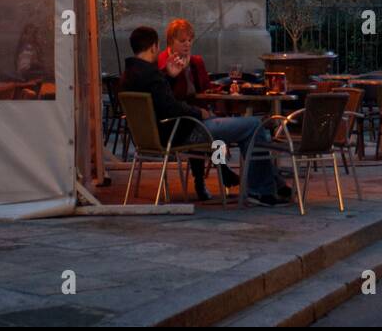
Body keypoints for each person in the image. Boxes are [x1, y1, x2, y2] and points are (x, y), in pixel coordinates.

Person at [121, 26, 288, 206]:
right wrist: (199, 112)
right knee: (253, 125)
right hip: (182, 131)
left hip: (157, 135)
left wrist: (169, 76)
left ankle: (270, 184)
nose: (187, 44)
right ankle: (261, 190)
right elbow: (171, 107)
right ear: (154, 46)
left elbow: (160, 102)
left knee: (242, 126)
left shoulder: (129, 76)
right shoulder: (150, 74)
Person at [157, 18, 211, 102]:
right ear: (171, 41)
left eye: (190, 40)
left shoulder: (197, 61)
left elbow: (208, 89)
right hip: (179, 112)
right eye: (182, 41)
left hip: (200, 108)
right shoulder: (161, 62)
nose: (188, 44)